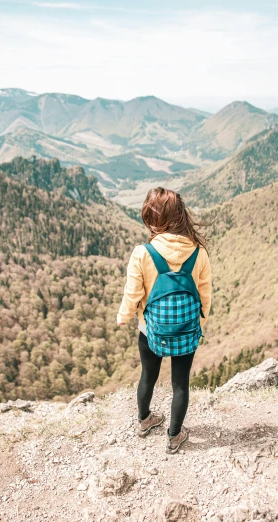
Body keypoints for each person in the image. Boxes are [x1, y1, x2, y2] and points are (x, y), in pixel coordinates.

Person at [117, 187, 212, 454]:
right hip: (187, 331)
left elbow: (133, 293)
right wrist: (198, 326)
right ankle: (173, 437)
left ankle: (145, 421)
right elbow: (205, 296)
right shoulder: (198, 252)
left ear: (154, 219)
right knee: (180, 384)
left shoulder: (142, 253)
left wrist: (124, 316)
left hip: (150, 331)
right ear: (180, 215)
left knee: (148, 376)